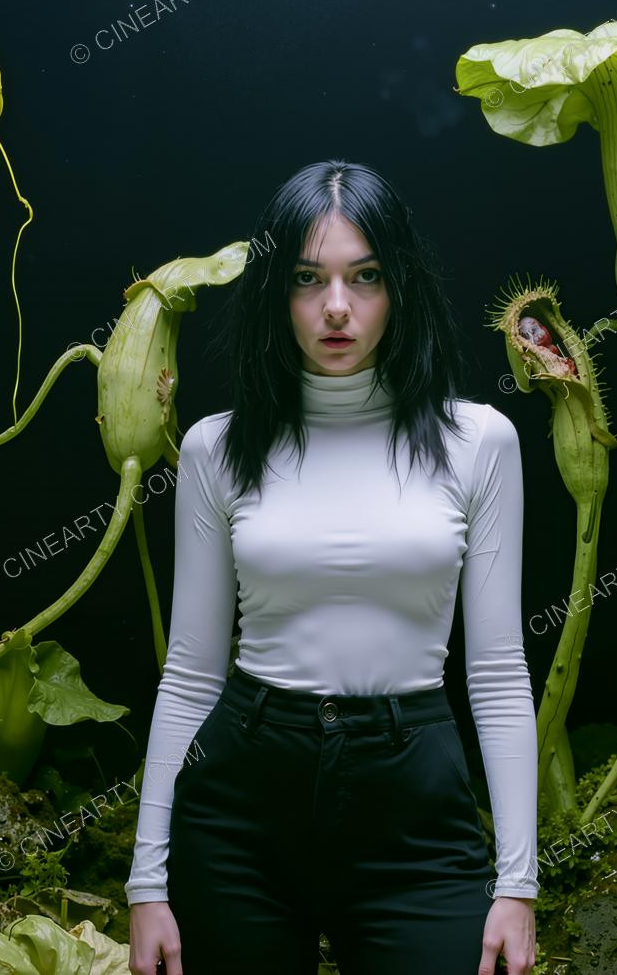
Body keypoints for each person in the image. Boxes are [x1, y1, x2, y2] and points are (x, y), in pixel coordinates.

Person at [125, 160, 539, 975]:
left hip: (413, 811)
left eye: (366, 276)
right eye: (309, 279)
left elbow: (495, 672)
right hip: (241, 806)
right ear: (278, 292)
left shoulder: (480, 442)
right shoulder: (218, 447)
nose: (337, 307)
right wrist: (148, 880)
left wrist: (517, 885)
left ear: (400, 287)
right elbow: (190, 671)